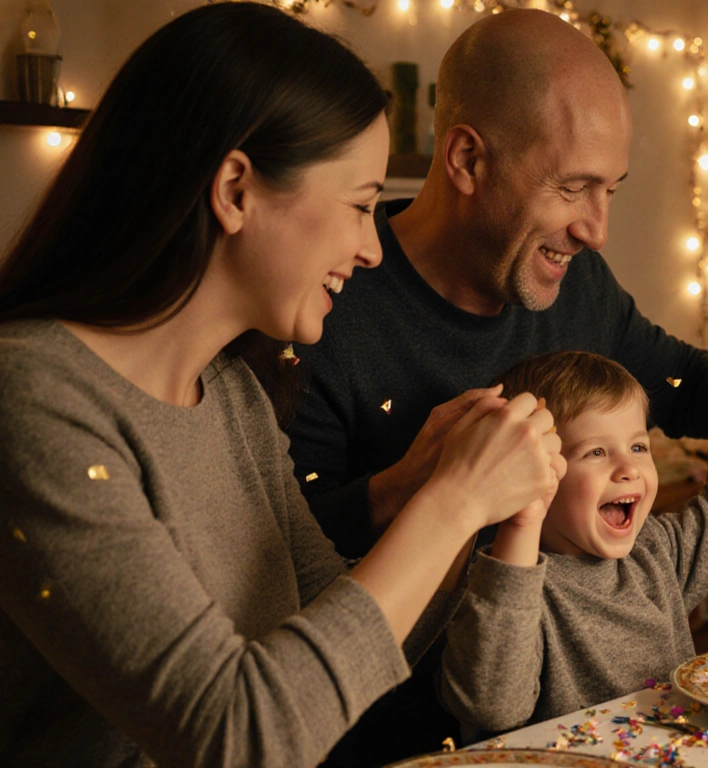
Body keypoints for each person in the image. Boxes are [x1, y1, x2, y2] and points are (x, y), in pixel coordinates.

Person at [0, 6, 562, 767]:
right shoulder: (34, 396)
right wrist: (451, 501)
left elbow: (340, 643)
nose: (371, 249)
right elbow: (239, 735)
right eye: (362, 205)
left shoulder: (230, 395)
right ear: (235, 189)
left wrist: (474, 510)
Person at [285, 8, 708, 560]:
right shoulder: (323, 304)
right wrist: (410, 488)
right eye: (572, 187)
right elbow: (282, 556)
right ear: (467, 160)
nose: (597, 232)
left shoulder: (579, 285)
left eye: (610, 190)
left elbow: (681, 383)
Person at [440, 350, 708, 734]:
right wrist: (523, 518)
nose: (630, 469)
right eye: (596, 452)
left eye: (638, 447)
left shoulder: (654, 551)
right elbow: (492, 709)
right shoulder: (500, 590)